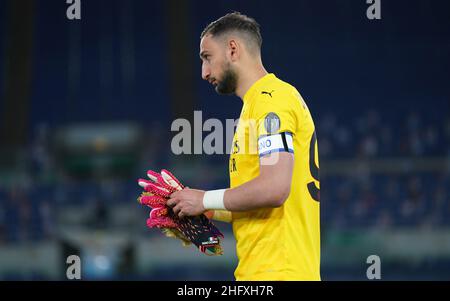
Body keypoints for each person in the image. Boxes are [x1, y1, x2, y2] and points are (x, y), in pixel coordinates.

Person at [167, 12, 321, 281]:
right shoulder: (256, 107)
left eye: (207, 57)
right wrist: (200, 207)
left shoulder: (271, 100)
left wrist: (203, 199)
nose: (204, 73)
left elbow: (275, 188)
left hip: (279, 272)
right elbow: (260, 203)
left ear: (233, 49)